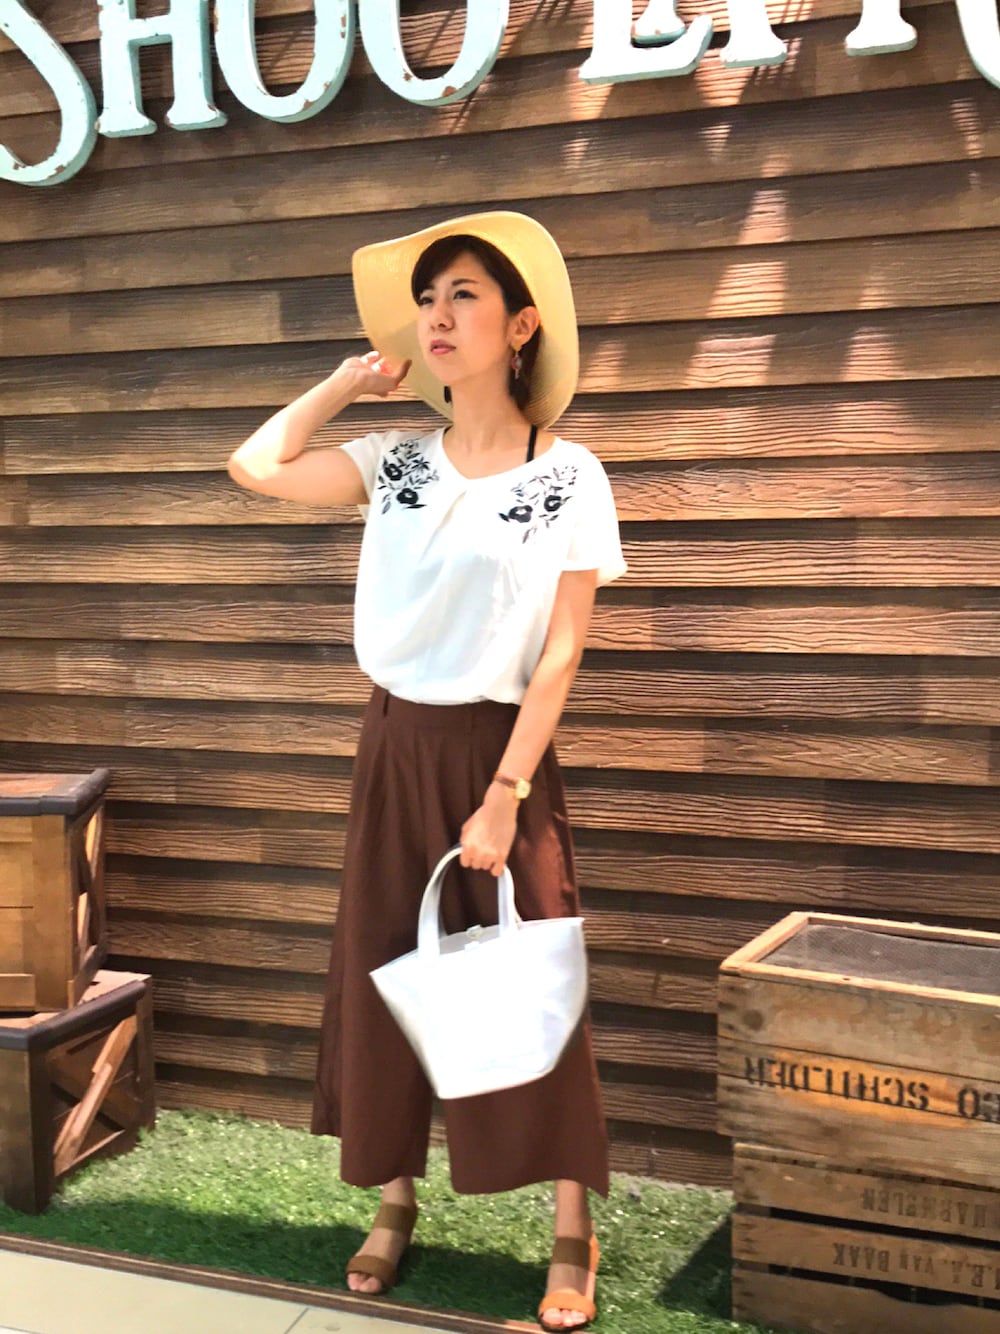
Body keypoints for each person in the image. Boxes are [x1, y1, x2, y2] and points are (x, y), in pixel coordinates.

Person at [227, 212, 627, 1331]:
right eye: (427, 301)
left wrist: (504, 794)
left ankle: (571, 1228)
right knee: (386, 967)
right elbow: (256, 465)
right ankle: (394, 1201)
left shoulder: (570, 473)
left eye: (462, 296)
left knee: (534, 975)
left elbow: (561, 651)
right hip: (394, 742)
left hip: (503, 757)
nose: (437, 318)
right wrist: (345, 384)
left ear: (521, 325)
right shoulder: (392, 461)